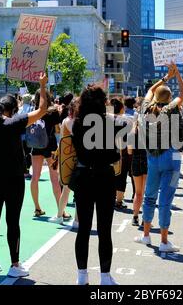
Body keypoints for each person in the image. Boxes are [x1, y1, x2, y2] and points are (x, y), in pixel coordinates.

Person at [0, 73, 49, 278]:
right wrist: (42, 86)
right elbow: (42, 109)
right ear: (13, 109)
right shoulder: (15, 122)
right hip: (14, 178)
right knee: (12, 221)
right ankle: (15, 264)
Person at [71, 84, 123, 285]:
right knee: (104, 230)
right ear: (103, 102)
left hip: (83, 176)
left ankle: (81, 276)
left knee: (83, 228)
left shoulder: (77, 123)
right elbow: (114, 154)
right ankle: (104, 277)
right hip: (104, 177)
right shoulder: (110, 123)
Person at [134, 63, 183, 253]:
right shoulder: (171, 108)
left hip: (152, 159)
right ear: (169, 98)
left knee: (149, 196)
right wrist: (177, 74)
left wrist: (166, 77)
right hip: (172, 158)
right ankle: (164, 240)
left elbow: (149, 90)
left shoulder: (146, 108)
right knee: (166, 199)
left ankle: (146, 235)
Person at [30, 91, 64, 218]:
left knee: (35, 178)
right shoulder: (53, 111)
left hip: (36, 145)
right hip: (50, 146)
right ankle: (61, 210)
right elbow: (57, 129)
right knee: (55, 179)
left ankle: (37, 208)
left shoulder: (34, 111)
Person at [49, 98, 79, 225]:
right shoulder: (81, 121)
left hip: (68, 159)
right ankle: (75, 219)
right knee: (78, 190)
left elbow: (63, 142)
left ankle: (60, 215)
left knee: (66, 188)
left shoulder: (67, 121)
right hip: (79, 158)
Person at [128, 118, 148, 226]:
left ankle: (135, 217)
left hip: (135, 161)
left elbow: (129, 151)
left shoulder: (132, 134)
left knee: (138, 192)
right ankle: (146, 218)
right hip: (147, 161)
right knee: (146, 193)